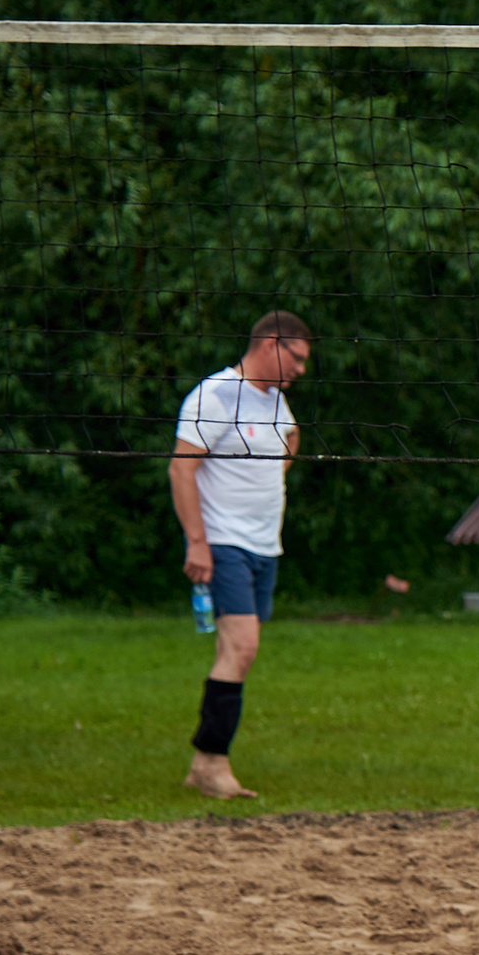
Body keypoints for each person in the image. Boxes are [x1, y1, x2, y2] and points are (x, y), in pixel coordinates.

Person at [169, 311, 312, 800]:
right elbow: (181, 469)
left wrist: (268, 478)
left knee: (235, 651)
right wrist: (197, 541)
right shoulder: (215, 395)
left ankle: (201, 766)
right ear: (271, 344)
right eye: (297, 358)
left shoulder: (275, 400)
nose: (301, 370)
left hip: (265, 544)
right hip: (224, 542)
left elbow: (291, 436)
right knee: (242, 648)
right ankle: (212, 762)